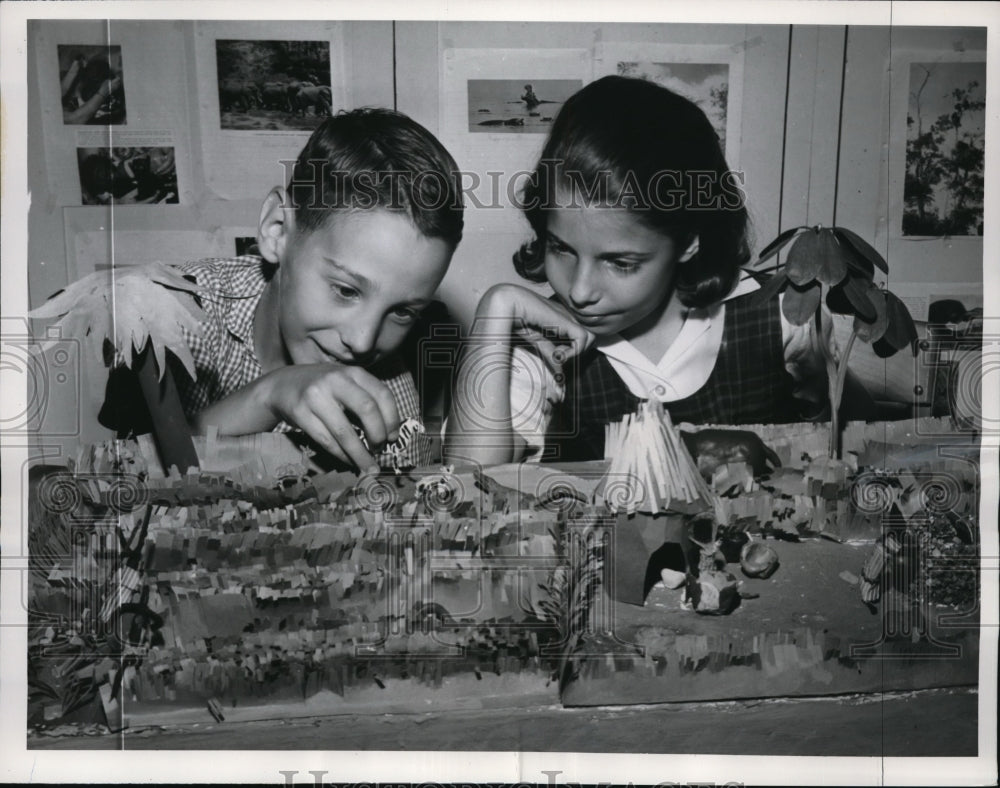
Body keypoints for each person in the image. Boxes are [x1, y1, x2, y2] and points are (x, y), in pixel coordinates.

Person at [445, 75, 874, 466]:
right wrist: (494, 312)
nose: (579, 291)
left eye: (619, 262)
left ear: (690, 241)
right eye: (561, 248)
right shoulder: (534, 343)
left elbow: (850, 428)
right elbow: (471, 482)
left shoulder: (785, 313)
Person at [103, 109, 464, 473]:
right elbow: (126, 477)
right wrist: (268, 397)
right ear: (277, 230)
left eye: (402, 312)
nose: (364, 340)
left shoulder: (388, 392)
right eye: (345, 290)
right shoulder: (174, 315)